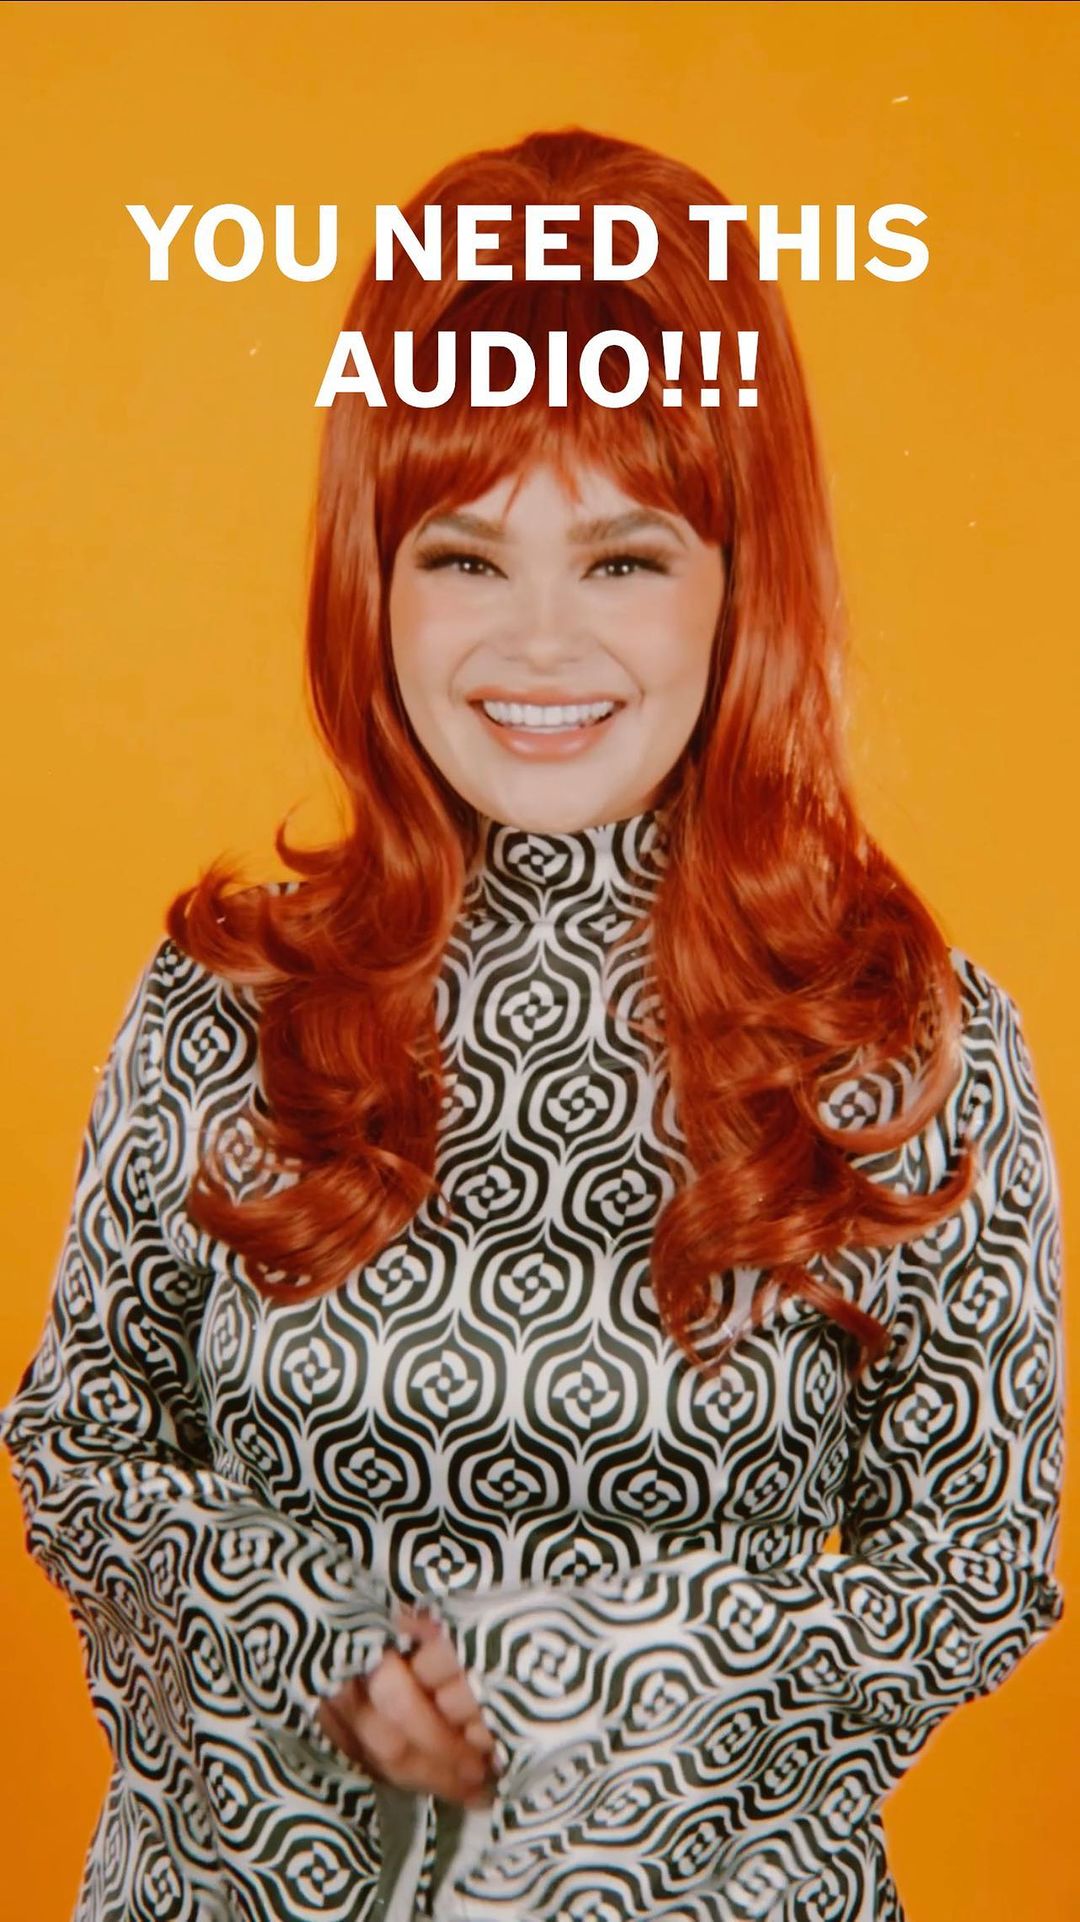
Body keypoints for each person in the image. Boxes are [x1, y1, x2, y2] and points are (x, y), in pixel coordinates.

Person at [0, 124, 1065, 1922]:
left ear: (741, 577)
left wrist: (567, 1684)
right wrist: (324, 1650)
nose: (542, 645)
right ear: (373, 574)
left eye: (626, 560)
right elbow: (81, 1439)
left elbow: (971, 1558)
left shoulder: (904, 1053)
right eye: (467, 557)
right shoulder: (225, 1006)